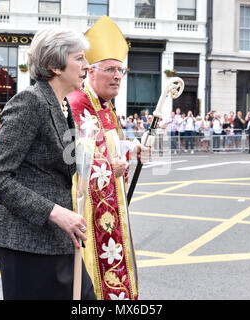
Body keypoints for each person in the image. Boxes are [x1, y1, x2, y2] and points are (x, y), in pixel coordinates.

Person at [0, 26, 96, 300]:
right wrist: (55, 212)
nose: (87, 65)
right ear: (54, 66)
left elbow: (62, 166)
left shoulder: (62, 104)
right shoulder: (30, 102)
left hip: (56, 240)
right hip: (27, 243)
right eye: (79, 58)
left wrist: (95, 153)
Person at [68, 16, 151, 300]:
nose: (117, 76)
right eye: (111, 70)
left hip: (111, 203)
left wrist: (133, 148)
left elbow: (112, 143)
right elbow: (73, 156)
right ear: (91, 72)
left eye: (121, 70)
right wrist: (107, 166)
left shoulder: (107, 106)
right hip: (89, 210)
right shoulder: (77, 103)